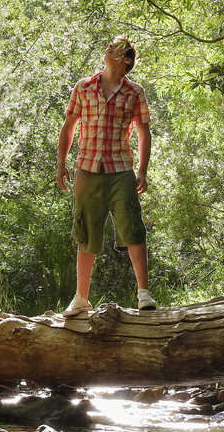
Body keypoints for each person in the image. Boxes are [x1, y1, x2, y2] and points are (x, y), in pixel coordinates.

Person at [56, 36, 156, 316]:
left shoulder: (135, 92)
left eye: (117, 47)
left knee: (133, 228)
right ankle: (81, 298)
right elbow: (68, 127)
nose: (109, 48)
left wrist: (142, 170)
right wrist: (61, 164)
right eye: (110, 45)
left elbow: (143, 131)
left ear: (126, 60)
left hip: (121, 170)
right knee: (85, 232)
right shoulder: (84, 87)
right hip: (86, 169)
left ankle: (144, 295)